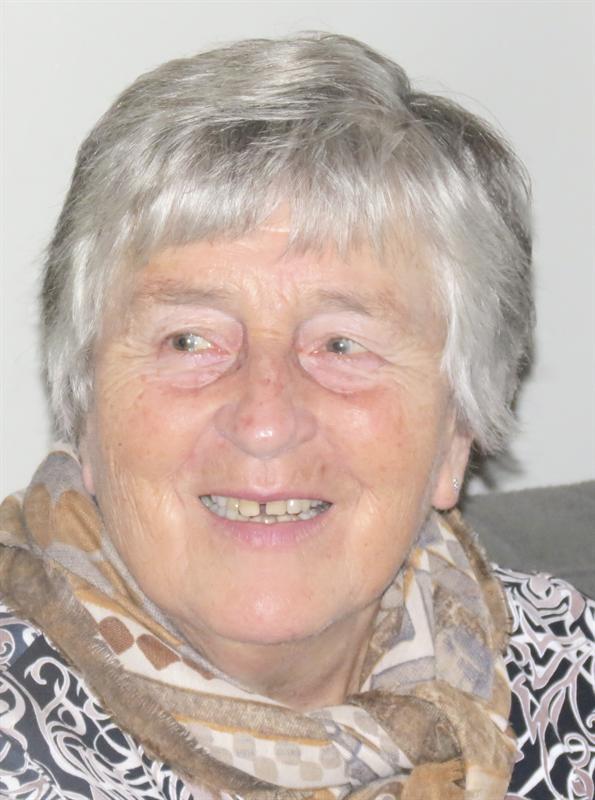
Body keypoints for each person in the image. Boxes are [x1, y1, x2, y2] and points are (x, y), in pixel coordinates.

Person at [0, 32, 592, 800]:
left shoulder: (566, 682)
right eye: (190, 340)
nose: (265, 420)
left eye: (341, 345)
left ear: (456, 433)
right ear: (84, 406)